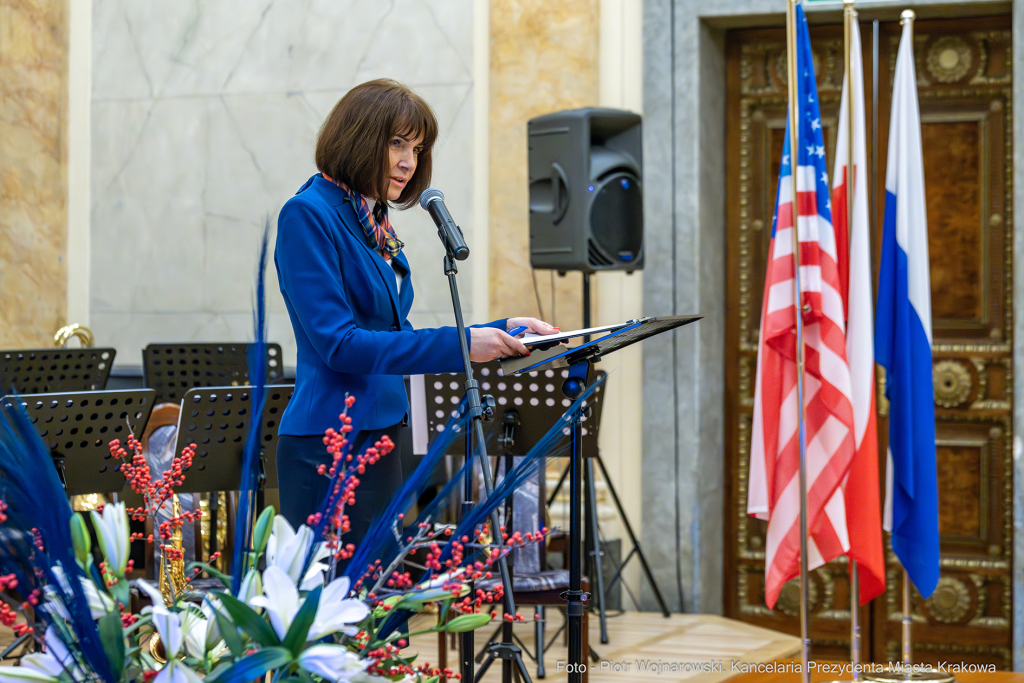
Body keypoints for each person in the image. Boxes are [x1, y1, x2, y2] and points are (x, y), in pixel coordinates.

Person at [274, 78, 555, 547]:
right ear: (358, 136)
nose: (410, 161)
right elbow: (340, 345)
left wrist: (498, 329)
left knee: (384, 611)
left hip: (382, 435)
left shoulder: (369, 216)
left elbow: (395, 333)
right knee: (341, 615)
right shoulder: (307, 214)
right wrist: (465, 345)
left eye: (419, 148)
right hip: (328, 445)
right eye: (397, 143)